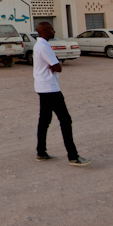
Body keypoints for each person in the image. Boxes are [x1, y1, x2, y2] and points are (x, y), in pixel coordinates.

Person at [33, 22, 91, 166]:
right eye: (52, 29)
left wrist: (53, 64)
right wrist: (55, 64)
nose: (54, 31)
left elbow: (53, 65)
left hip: (42, 87)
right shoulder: (44, 46)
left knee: (45, 120)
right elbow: (58, 67)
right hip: (50, 89)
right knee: (65, 120)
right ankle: (73, 156)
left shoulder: (38, 45)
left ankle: (41, 152)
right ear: (45, 32)